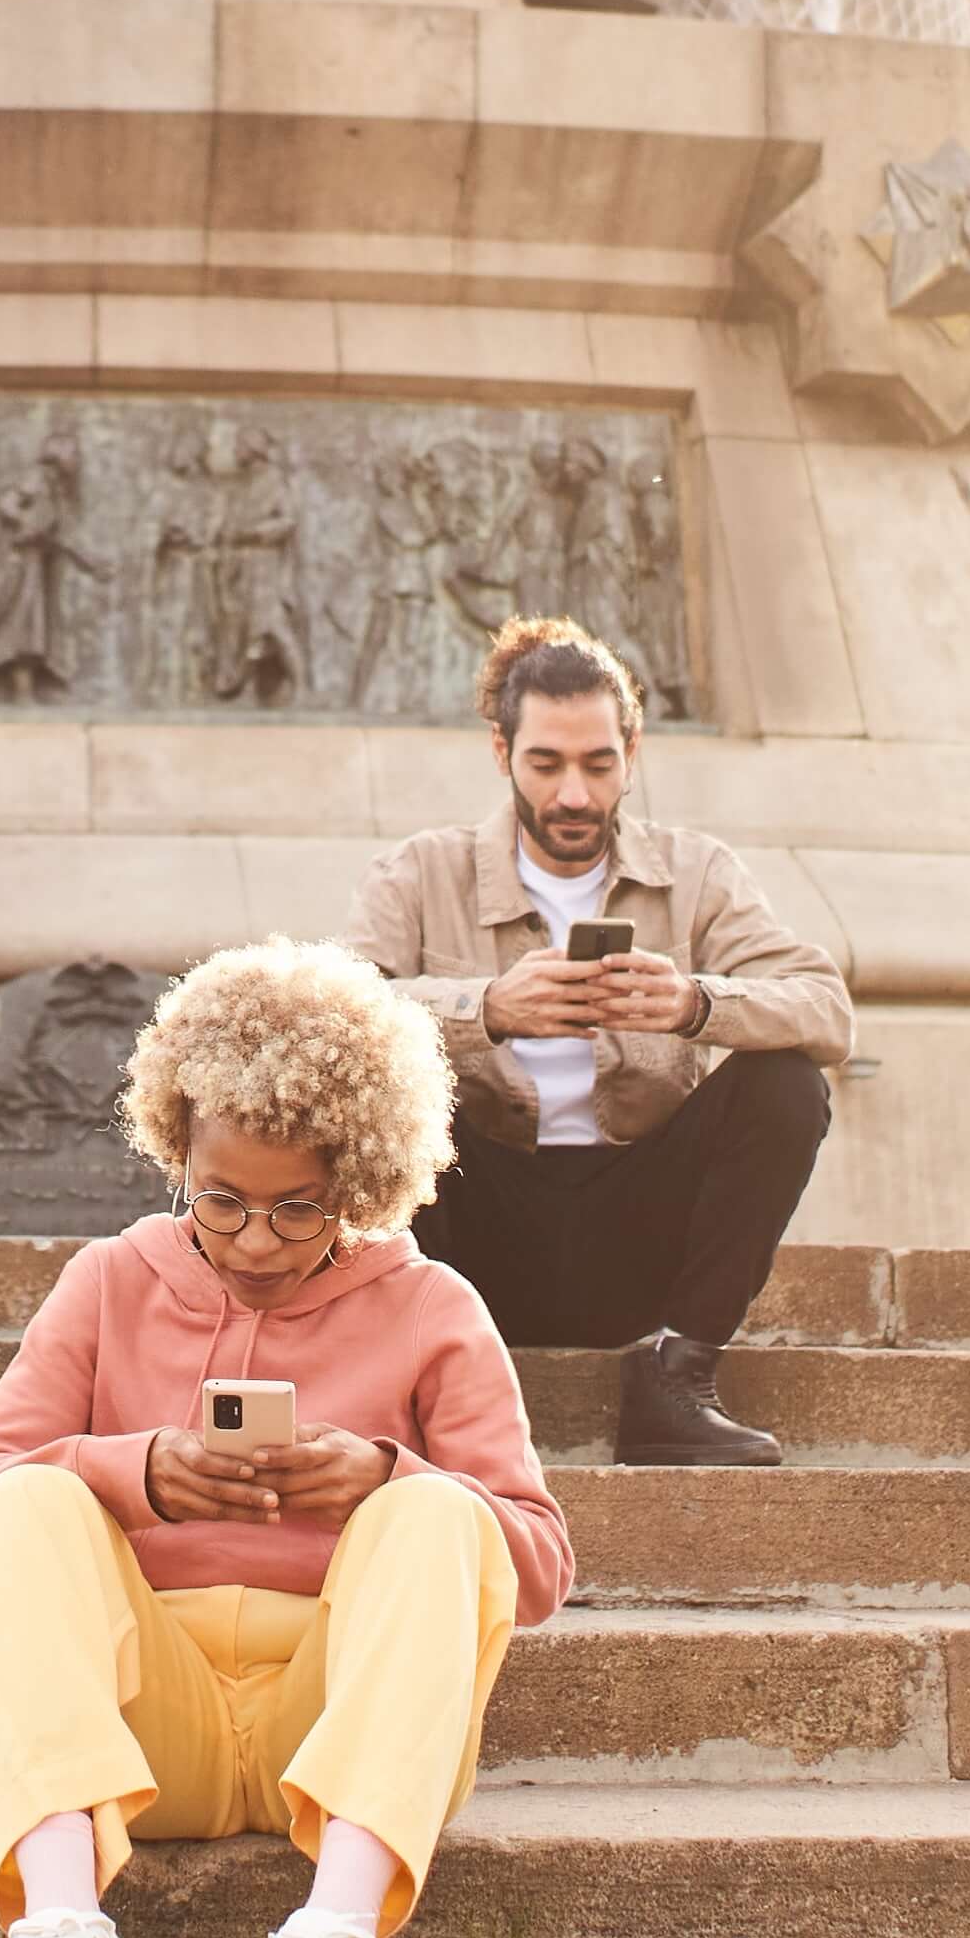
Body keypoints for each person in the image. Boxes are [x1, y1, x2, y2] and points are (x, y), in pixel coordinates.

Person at [0, 937, 571, 1938]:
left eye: (299, 1209)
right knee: (28, 1495)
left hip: (333, 1730)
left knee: (435, 1509)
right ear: (176, 1150)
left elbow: (533, 1560)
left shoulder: (433, 1307)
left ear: (362, 1182)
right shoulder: (109, 1279)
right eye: (221, 1201)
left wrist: (382, 1476)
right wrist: (135, 1473)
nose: (257, 1242)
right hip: (145, 1725)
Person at [347, 615, 852, 1464]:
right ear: (502, 752)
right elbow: (335, 1013)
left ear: (633, 751)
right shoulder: (419, 871)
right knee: (364, 1087)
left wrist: (695, 1004)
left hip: (635, 1221)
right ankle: (410, 1383)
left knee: (788, 1084)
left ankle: (678, 1381)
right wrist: (488, 1009)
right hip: (473, 1222)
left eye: (598, 764)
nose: (575, 795)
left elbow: (825, 1008)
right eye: (546, 764)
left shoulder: (697, 871)